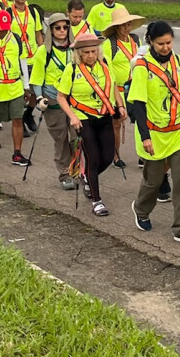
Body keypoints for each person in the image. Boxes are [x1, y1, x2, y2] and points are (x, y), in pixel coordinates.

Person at [128, 20, 180, 245]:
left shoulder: (177, 61)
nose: (166, 47)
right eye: (160, 44)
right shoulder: (142, 67)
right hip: (154, 133)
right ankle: (141, 209)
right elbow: (138, 104)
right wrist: (145, 136)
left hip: (178, 131)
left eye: (169, 42)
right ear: (150, 42)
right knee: (154, 180)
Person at [57, 28, 124, 216]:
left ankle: (86, 176)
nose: (90, 55)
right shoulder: (72, 69)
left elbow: (114, 88)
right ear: (79, 53)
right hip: (83, 118)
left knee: (108, 157)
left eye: (94, 51)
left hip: (104, 116)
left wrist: (120, 105)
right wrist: (73, 116)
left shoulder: (104, 65)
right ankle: (97, 200)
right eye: (86, 52)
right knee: (92, 158)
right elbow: (61, 96)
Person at [0, 7, 31, 165]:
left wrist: (26, 86)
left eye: (6, 28)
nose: (3, 32)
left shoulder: (15, 38)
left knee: (18, 119)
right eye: (0, 29)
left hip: (14, 86)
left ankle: (17, 154)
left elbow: (21, 62)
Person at [31, 13, 76, 189]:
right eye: (58, 27)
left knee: (77, 138)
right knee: (61, 139)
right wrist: (40, 98)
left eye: (65, 27)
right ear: (51, 30)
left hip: (73, 101)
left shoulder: (75, 49)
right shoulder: (44, 51)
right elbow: (37, 78)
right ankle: (65, 174)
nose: (62, 31)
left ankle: (78, 170)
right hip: (53, 102)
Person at [101, 3, 145, 167]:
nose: (126, 28)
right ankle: (116, 155)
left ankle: (143, 155)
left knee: (143, 121)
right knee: (117, 124)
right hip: (118, 90)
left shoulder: (135, 40)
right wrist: (117, 99)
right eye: (122, 25)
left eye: (128, 24)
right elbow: (108, 72)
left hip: (136, 87)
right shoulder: (109, 44)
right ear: (116, 27)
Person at [7, 0, 43, 134]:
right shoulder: (8, 13)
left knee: (36, 92)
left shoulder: (33, 12)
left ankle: (28, 114)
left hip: (34, 58)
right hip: (18, 60)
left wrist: (43, 53)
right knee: (22, 94)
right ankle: (20, 121)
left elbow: (38, 34)